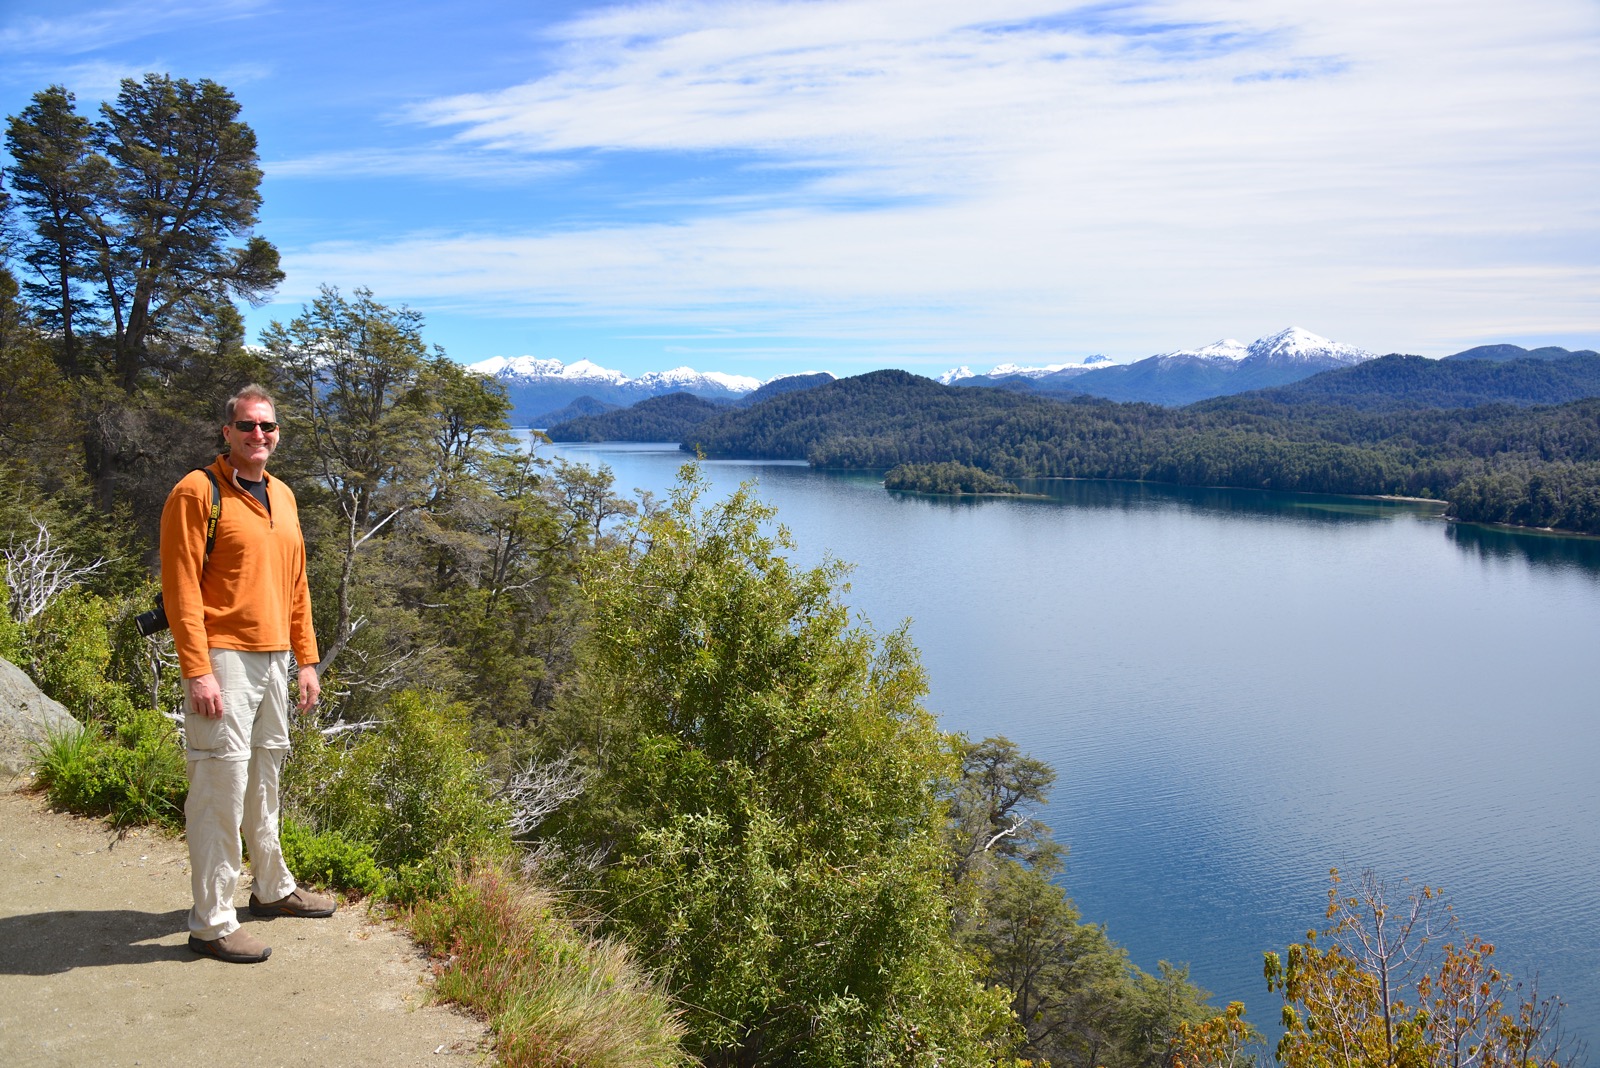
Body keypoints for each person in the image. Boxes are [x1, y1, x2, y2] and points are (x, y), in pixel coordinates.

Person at [159, 384, 336, 964]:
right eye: (247, 426)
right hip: (224, 660)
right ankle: (211, 922)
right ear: (227, 433)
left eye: (268, 426)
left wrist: (305, 660)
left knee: (264, 777)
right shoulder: (197, 492)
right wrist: (198, 671)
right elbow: (181, 587)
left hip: (276, 657)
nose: (258, 435)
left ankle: (271, 889)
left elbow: (297, 587)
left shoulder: (282, 496)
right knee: (219, 786)